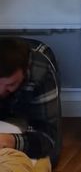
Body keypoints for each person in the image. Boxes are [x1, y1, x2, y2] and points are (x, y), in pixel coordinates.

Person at [0, 37, 62, 166]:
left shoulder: (41, 73)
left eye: (10, 84)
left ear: (25, 70)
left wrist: (10, 140)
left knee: (52, 156)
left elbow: (47, 139)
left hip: (34, 91)